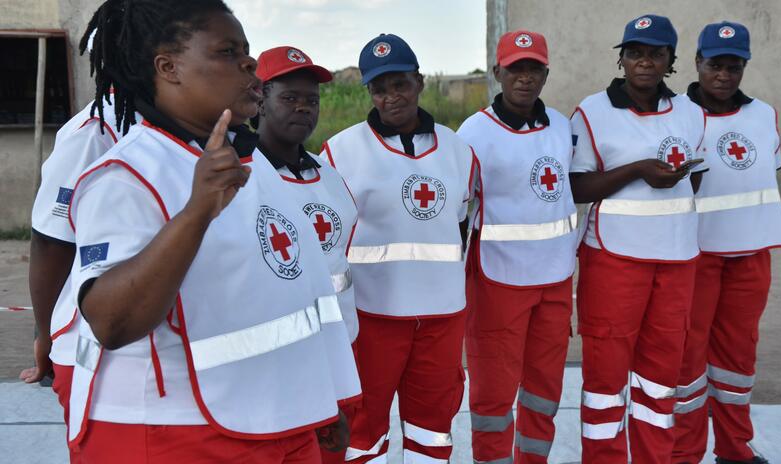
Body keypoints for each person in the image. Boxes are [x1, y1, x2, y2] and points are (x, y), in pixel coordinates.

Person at [64, 1, 357, 462]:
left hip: (277, 416)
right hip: (175, 430)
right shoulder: (127, 173)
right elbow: (110, 321)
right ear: (169, 67)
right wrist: (196, 214)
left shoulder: (252, 160)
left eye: (248, 51)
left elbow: (298, 289)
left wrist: (326, 396)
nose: (248, 64)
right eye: (226, 51)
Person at [321, 33, 477, 463]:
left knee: (433, 431)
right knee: (364, 432)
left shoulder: (459, 150)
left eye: (400, 84)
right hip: (373, 317)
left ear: (419, 81)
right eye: (379, 88)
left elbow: (460, 226)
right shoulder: (340, 152)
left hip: (442, 318)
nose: (391, 97)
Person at [569, 14, 707, 464]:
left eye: (656, 54)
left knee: (659, 376)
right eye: (635, 53)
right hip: (615, 259)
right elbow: (576, 187)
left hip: (677, 258)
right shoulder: (592, 111)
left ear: (670, 61)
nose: (644, 62)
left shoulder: (690, 112)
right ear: (622, 58)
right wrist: (636, 171)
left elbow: (695, 181)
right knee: (607, 379)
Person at [456, 30, 577, 464]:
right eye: (515, 69)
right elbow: (456, 209)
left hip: (555, 280)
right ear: (498, 74)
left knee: (545, 393)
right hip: (498, 281)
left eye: (533, 69)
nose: (524, 78)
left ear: (545, 73)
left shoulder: (563, 127)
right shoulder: (473, 132)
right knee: (493, 397)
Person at [671, 21, 781, 464]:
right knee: (688, 359)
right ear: (697, 63)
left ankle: (735, 449)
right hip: (694, 255)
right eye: (715, 65)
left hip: (751, 254)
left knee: (738, 358)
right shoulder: (676, 113)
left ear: (744, 67)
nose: (724, 75)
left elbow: (762, 175)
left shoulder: (764, 114)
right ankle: (684, 452)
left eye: (734, 66)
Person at [253, 45, 361, 461]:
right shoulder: (239, 176)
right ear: (259, 100)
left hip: (337, 350)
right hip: (274, 362)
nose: (303, 108)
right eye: (289, 98)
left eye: (311, 100)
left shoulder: (330, 177)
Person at [22, 97, 141, 433]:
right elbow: (52, 241)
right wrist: (45, 336)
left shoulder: (182, 124)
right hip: (98, 354)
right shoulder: (96, 130)